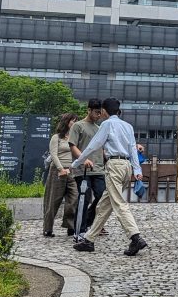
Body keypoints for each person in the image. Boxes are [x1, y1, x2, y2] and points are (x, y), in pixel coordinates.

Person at [69, 98, 148, 256]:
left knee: (118, 203)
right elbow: (133, 148)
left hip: (114, 166)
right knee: (103, 206)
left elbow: (94, 145)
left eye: (101, 110)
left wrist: (77, 162)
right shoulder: (128, 126)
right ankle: (89, 240)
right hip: (126, 167)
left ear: (105, 110)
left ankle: (135, 237)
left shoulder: (107, 124)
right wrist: (137, 169)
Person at [69, 100, 107, 234]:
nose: (98, 115)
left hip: (99, 169)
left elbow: (102, 148)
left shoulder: (99, 128)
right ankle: (80, 229)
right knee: (84, 199)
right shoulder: (78, 126)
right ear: (89, 110)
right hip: (82, 170)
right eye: (96, 112)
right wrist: (82, 159)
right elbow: (72, 146)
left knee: (102, 196)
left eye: (100, 113)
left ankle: (89, 221)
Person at [43, 112, 78, 238]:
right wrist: (60, 168)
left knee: (74, 198)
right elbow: (54, 155)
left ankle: (70, 226)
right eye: (72, 120)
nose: (74, 123)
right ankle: (48, 228)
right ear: (66, 122)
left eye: (75, 120)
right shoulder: (56, 137)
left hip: (71, 171)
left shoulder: (74, 138)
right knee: (53, 200)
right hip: (57, 171)